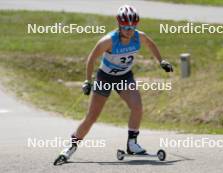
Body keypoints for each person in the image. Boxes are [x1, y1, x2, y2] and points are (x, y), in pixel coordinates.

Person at [57, 4, 173, 161]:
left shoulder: (140, 36)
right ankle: (71, 146)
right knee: (92, 116)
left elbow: (151, 45)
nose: (129, 30)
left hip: (124, 77)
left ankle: (132, 143)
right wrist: (87, 81)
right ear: (119, 24)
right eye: (125, 27)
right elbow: (91, 58)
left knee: (137, 107)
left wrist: (161, 61)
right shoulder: (108, 41)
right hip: (105, 77)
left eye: (132, 27)